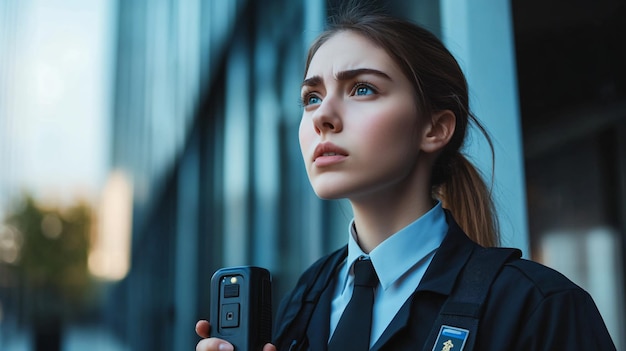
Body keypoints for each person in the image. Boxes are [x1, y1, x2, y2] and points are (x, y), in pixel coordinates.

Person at [196, 8, 617, 351]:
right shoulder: (300, 306)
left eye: (362, 89)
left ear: (434, 129)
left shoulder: (538, 308)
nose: (322, 116)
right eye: (311, 97)